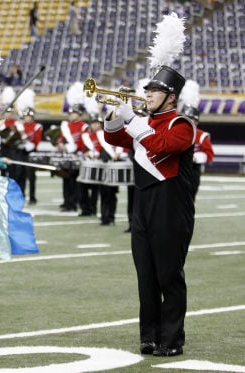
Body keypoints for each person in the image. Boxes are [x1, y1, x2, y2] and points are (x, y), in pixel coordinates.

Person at [104, 65, 195, 357]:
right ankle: (150, 336)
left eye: (154, 90)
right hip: (142, 203)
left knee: (169, 274)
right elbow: (114, 138)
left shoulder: (182, 124)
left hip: (170, 205)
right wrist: (113, 114)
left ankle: (172, 339)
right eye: (147, 90)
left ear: (171, 96)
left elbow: (161, 146)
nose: (147, 94)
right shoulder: (144, 121)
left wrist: (131, 117)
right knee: (146, 275)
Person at [56, 103, 88, 212]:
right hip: (67, 155)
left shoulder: (84, 126)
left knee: (75, 181)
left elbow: (83, 142)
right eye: (70, 113)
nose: (71, 115)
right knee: (66, 179)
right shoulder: (66, 126)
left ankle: (75, 202)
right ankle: (67, 202)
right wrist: (60, 145)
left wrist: (72, 148)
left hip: (77, 155)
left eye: (73, 113)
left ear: (79, 114)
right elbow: (61, 138)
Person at [182, 105, 214, 200]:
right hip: (178, 169)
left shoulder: (201, 135)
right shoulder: (176, 133)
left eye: (192, 119)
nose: (190, 121)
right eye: (187, 119)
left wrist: (196, 157)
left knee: (189, 198)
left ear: (197, 121)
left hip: (193, 169)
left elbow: (209, 154)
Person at [20, 108, 43, 204]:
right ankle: (21, 196)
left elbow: (37, 140)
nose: (27, 118)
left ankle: (32, 197)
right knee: (21, 175)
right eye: (26, 116)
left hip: (32, 153)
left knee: (31, 176)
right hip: (21, 153)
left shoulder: (37, 126)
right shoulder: (20, 126)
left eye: (29, 116)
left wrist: (30, 144)